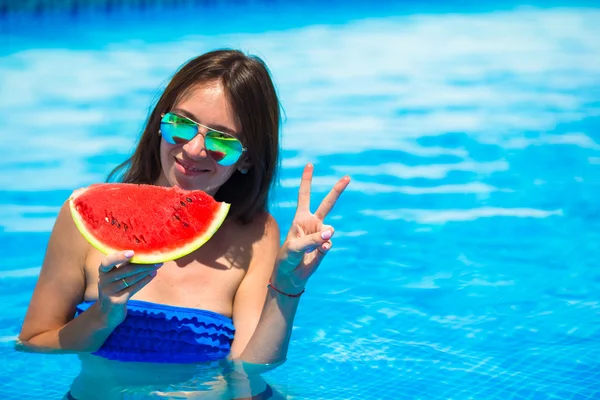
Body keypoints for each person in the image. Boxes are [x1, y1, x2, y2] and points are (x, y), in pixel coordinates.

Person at [17, 49, 350, 399]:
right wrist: (103, 316)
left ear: (247, 159)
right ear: (159, 124)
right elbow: (33, 342)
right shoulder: (83, 215)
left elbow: (249, 370)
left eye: (222, 139)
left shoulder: (257, 233)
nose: (193, 148)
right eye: (180, 124)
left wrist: (287, 286)